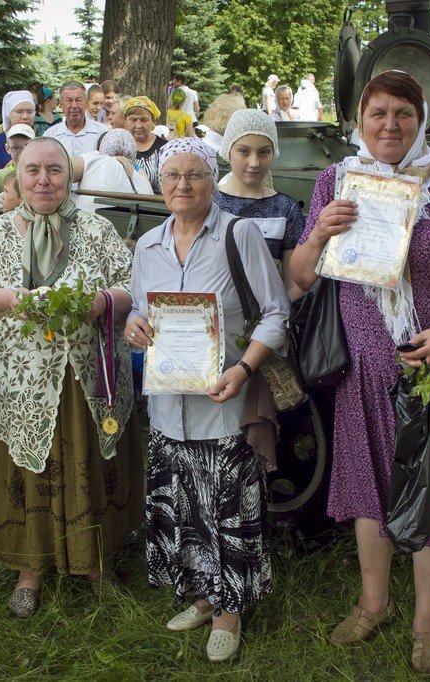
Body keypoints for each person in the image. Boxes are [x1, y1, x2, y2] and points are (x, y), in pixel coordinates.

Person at [290, 71, 430, 676]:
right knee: (369, 482)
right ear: (360, 119)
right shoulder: (335, 180)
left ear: (422, 118)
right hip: (365, 367)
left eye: (403, 114)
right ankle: (373, 602)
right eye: (378, 113)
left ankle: (426, 620)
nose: (390, 125)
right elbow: (302, 277)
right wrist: (321, 234)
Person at [0, 136, 143, 619]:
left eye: (54, 170)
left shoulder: (98, 231)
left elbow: (130, 290)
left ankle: (93, 561)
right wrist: (8, 300)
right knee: (27, 470)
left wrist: (101, 303)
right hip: (19, 383)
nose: (43, 180)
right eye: (33, 170)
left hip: (87, 379)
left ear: (69, 176)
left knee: (87, 461)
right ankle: (29, 568)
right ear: (16, 174)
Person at [125, 137, 289, 663]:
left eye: (194, 174)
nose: (181, 185)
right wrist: (134, 326)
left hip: (225, 399)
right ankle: (200, 596)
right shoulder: (147, 245)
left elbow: (275, 313)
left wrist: (244, 369)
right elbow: (139, 314)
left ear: (210, 179)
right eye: (171, 175)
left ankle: (228, 612)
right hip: (169, 404)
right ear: (159, 182)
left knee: (225, 507)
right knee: (183, 505)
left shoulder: (238, 235)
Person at [213, 110, 304, 300]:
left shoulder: (285, 210)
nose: (254, 163)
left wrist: (272, 319)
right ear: (228, 150)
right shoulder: (210, 204)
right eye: (244, 151)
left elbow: (293, 285)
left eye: (264, 152)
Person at [71, 128, 154, 212]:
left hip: (85, 221)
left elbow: (63, 170)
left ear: (101, 148)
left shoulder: (94, 159)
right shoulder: (143, 181)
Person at [43, 81, 107, 158]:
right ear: (61, 104)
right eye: (69, 100)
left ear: (86, 103)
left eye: (78, 100)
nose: (74, 106)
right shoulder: (50, 136)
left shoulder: (102, 132)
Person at [123, 96, 166, 193]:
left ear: (153, 122)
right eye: (133, 120)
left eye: (144, 120)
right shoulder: (120, 146)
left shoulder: (165, 148)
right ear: (125, 121)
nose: (138, 125)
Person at [0, 90, 35, 170]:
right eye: (19, 111)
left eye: (29, 112)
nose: (25, 116)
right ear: (8, 113)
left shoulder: (39, 141)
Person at [0, 124, 34, 192]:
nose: (21, 153)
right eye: (15, 148)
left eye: (26, 147)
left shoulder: (42, 172)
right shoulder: (0, 177)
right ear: (7, 149)